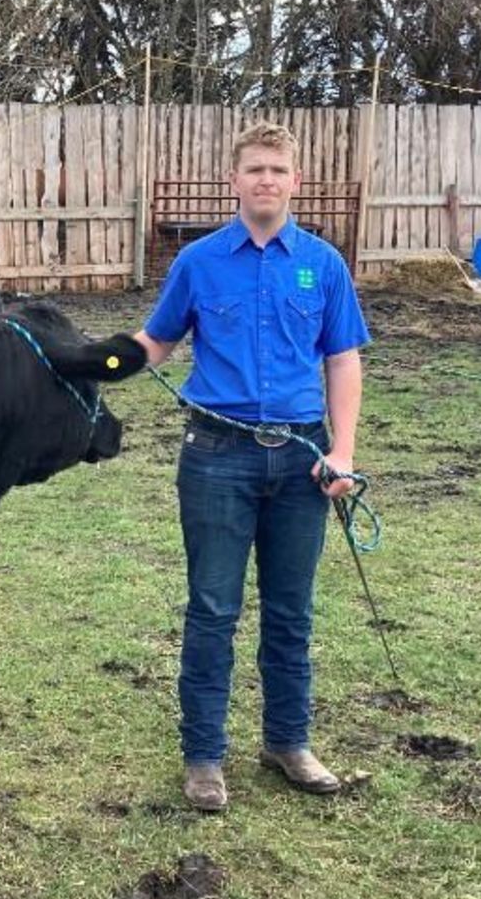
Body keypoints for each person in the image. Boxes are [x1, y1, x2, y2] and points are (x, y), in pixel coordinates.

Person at [131, 121, 371, 812]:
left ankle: (287, 742)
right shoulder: (199, 263)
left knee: (292, 610)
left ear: (295, 182)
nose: (265, 180)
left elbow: (343, 359)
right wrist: (97, 365)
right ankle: (204, 756)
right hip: (216, 458)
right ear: (233, 182)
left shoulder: (323, 265)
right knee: (212, 609)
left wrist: (343, 454)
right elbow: (157, 341)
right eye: (254, 170)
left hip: (302, 460)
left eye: (277, 170)